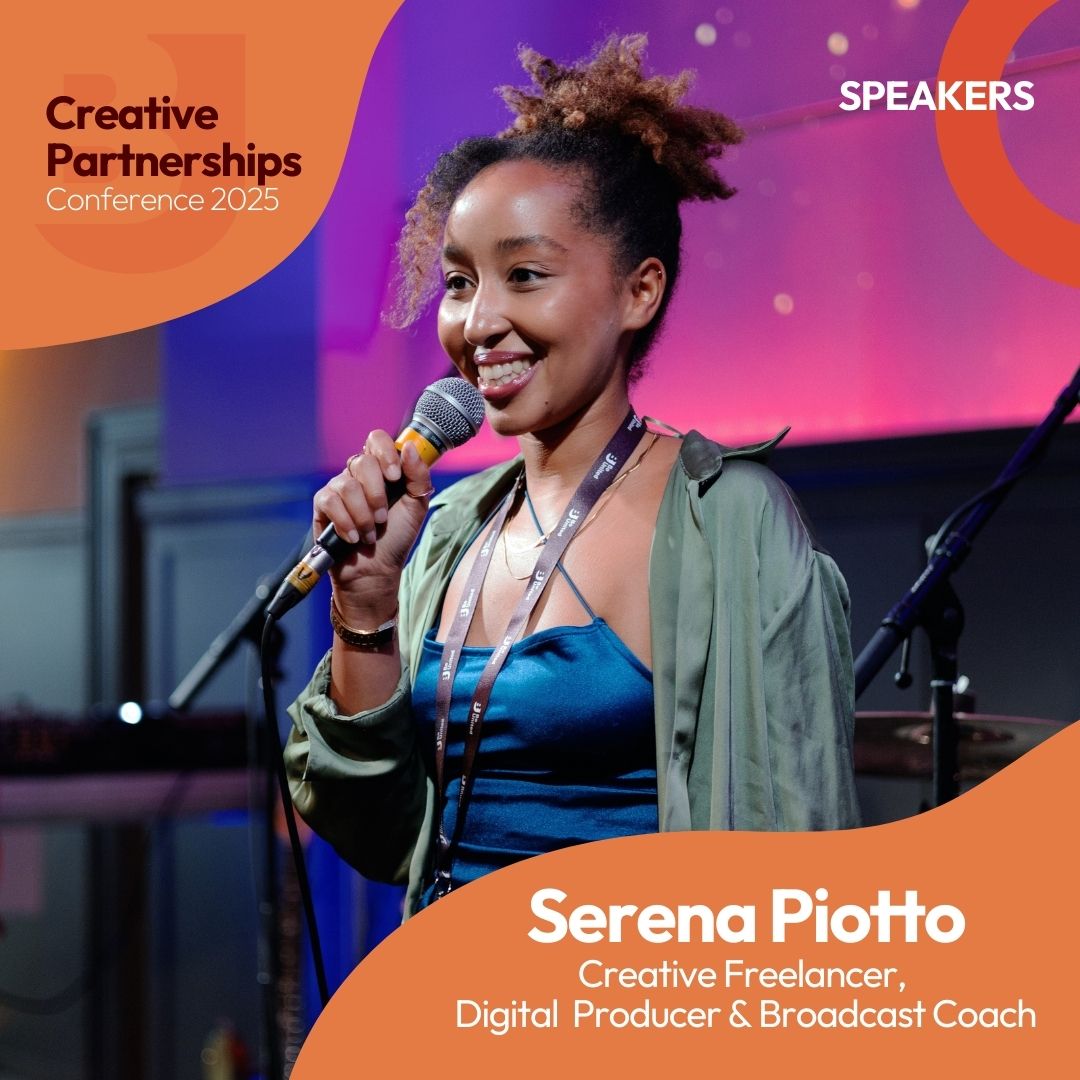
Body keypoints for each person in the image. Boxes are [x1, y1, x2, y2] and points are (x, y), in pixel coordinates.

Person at [285, 35, 860, 918]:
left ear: (640, 292)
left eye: (525, 276)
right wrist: (364, 608)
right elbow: (376, 833)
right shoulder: (446, 532)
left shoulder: (728, 522)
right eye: (459, 282)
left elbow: (795, 843)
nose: (479, 322)